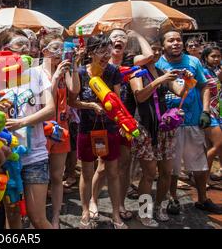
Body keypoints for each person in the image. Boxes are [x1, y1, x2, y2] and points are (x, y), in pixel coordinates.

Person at [90, 28, 153, 222]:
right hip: (105, 121)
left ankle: (121, 204)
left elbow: (150, 55)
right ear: (107, 44)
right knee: (102, 166)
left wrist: (136, 33)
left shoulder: (131, 63)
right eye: (114, 37)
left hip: (127, 123)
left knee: (123, 165)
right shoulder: (101, 65)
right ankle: (92, 200)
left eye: (123, 38)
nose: (119, 40)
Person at [156, 29, 222, 214]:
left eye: (178, 40)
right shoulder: (157, 63)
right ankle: (173, 199)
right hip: (169, 124)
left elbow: (205, 87)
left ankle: (202, 199)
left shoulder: (193, 61)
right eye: (170, 40)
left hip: (193, 121)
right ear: (163, 45)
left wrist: (206, 111)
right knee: (172, 167)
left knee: (199, 164)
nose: (175, 43)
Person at [0, 27, 56, 229]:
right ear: (4, 50)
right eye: (18, 45)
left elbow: (50, 110)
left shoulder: (37, 73)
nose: (24, 49)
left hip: (35, 156)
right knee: (12, 216)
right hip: (5, 155)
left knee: (37, 217)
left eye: (27, 45)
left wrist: (22, 122)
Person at [70, 34, 127, 229]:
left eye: (108, 50)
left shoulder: (113, 72)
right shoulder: (80, 71)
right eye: (101, 51)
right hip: (86, 129)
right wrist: (91, 105)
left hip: (109, 129)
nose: (106, 55)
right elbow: (72, 101)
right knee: (87, 172)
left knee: (113, 172)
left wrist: (123, 121)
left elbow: (118, 102)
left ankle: (115, 213)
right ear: (91, 52)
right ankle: (85, 211)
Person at [130, 41, 187, 227]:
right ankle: (144, 213)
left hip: (164, 127)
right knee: (148, 173)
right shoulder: (136, 71)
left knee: (167, 171)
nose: (154, 53)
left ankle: (160, 207)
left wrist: (188, 80)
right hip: (146, 127)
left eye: (156, 50)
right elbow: (139, 96)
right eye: (150, 50)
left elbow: (180, 91)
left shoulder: (162, 71)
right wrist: (158, 81)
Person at [37, 32, 79, 228]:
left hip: (61, 130)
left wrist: (74, 66)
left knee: (56, 176)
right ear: (44, 51)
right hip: (41, 131)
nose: (59, 53)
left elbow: (74, 90)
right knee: (40, 176)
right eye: (54, 48)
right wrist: (54, 77)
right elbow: (47, 100)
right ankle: (39, 217)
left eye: (61, 49)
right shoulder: (37, 72)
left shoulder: (64, 69)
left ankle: (55, 218)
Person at [200, 44, 222, 183]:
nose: (216, 59)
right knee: (218, 145)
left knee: (211, 146)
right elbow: (205, 89)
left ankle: (205, 177)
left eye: (218, 56)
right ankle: (200, 177)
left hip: (219, 111)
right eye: (213, 56)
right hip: (208, 112)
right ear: (206, 57)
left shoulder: (217, 71)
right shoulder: (202, 71)